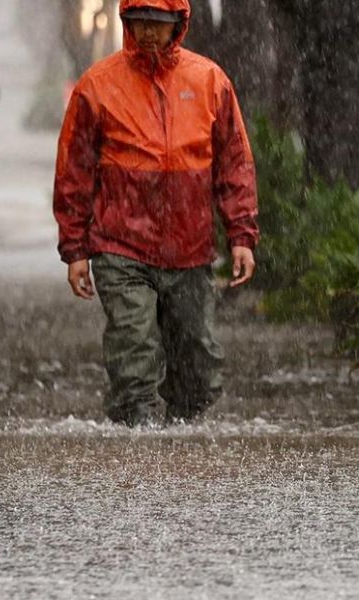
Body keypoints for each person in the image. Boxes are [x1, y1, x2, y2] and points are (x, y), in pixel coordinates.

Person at [53, 0, 259, 427]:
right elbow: (74, 170)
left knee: (197, 367)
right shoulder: (98, 86)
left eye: (158, 24)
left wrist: (241, 235)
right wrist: (75, 249)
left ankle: (179, 434)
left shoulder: (209, 82)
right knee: (133, 354)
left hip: (190, 248)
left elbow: (234, 163)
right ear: (127, 23)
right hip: (120, 247)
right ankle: (138, 441)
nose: (148, 32)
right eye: (140, 22)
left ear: (177, 25)